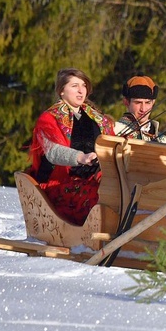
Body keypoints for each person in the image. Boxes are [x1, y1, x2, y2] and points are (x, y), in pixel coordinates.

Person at [28, 68, 115, 225]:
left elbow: (112, 145)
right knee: (101, 196)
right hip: (58, 184)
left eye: (84, 85)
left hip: (92, 179)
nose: (81, 90)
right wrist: (81, 157)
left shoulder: (99, 119)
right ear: (62, 90)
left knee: (118, 191)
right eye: (75, 85)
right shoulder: (48, 119)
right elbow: (52, 151)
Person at [115, 75, 166, 144]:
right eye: (138, 102)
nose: (143, 109)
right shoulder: (114, 131)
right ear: (126, 102)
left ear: (153, 102)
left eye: (147, 103)